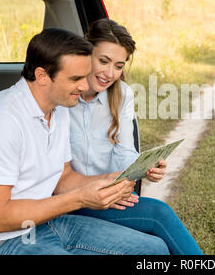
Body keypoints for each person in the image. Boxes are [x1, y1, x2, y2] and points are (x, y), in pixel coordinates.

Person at [0, 28, 170, 255]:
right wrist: (80, 198)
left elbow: (63, 177)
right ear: (42, 75)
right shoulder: (0, 121)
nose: (85, 87)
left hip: (47, 223)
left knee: (153, 248)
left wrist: (110, 180)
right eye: (76, 79)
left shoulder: (59, 110)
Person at [68, 18, 202, 255]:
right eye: (103, 61)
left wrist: (142, 168)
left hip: (111, 195)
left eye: (119, 66)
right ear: (86, 52)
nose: (110, 73)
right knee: (158, 215)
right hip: (71, 199)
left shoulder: (122, 94)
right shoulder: (63, 97)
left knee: (159, 231)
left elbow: (125, 150)